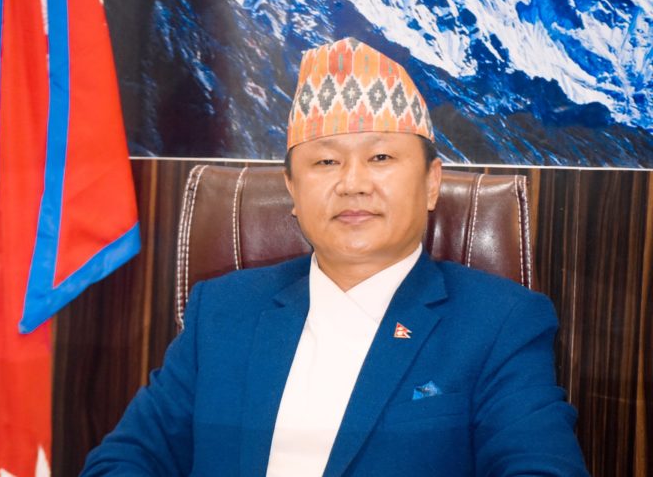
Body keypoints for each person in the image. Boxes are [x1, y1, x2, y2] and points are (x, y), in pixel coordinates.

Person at [81, 37, 589, 476]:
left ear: (432, 182)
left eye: (381, 157)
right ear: (292, 190)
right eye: (325, 161)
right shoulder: (222, 311)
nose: (352, 184)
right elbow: (124, 460)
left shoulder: (499, 322)